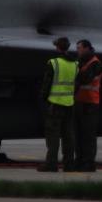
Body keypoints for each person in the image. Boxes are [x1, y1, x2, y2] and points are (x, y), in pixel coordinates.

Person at [38, 36, 77, 172]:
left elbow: (46, 84)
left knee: (53, 136)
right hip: (69, 104)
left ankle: (51, 164)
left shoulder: (54, 63)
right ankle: (69, 164)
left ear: (58, 47)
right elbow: (76, 84)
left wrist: (43, 99)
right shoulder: (75, 64)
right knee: (68, 136)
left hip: (55, 105)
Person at [73, 39, 102, 171]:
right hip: (80, 102)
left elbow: (84, 78)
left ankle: (89, 163)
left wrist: (76, 75)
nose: (77, 50)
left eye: (79, 48)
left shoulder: (95, 64)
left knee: (88, 135)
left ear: (86, 48)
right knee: (78, 134)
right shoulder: (81, 62)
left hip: (90, 104)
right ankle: (79, 160)